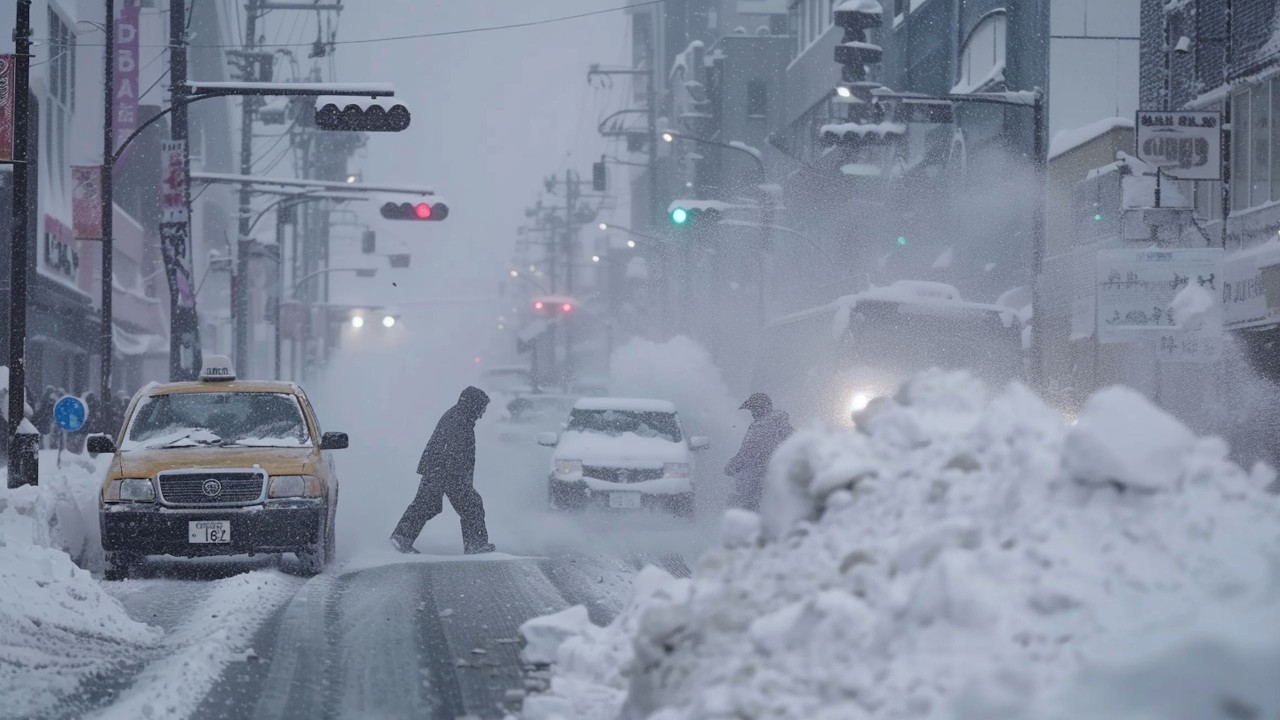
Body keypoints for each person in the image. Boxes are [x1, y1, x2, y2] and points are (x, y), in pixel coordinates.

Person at [391, 386, 496, 555]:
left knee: (428, 504)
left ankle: (402, 537)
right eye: (482, 408)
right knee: (469, 504)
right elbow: (454, 453)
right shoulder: (458, 421)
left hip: (440, 470)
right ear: (474, 405)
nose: (483, 413)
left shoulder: (460, 417)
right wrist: (460, 479)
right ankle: (475, 544)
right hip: (445, 472)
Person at [724, 393, 794, 511]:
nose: (752, 413)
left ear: (761, 409)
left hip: (759, 478)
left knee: (750, 507)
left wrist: (734, 464)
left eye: (753, 409)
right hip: (775, 476)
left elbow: (750, 451)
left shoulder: (762, 426)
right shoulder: (779, 423)